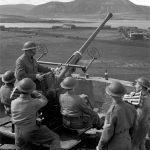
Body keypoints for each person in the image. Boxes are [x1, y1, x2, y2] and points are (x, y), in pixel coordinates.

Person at [11, 78, 60, 150]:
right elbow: (45, 100)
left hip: (18, 132)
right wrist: (37, 94)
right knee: (55, 138)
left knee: (21, 147)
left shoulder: (14, 102)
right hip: (30, 132)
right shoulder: (34, 103)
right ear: (31, 90)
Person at [96, 81, 137, 150]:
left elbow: (107, 133)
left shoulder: (112, 111)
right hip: (127, 140)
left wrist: (100, 146)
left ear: (110, 94)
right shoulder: (131, 107)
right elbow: (134, 127)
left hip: (115, 142)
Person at [131, 77, 150, 150]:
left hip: (139, 125)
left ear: (141, 87)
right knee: (142, 145)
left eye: (136, 84)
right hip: (145, 125)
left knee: (133, 146)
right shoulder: (148, 96)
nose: (135, 86)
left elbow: (139, 117)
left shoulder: (141, 99)